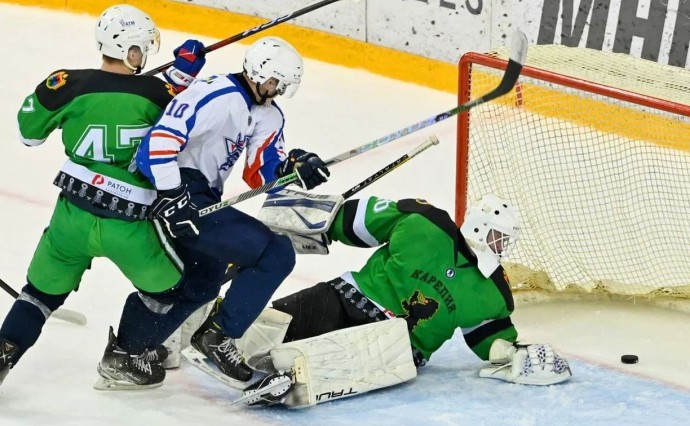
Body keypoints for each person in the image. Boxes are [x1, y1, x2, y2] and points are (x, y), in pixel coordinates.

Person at [106, 36, 331, 388]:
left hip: (202, 195)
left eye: (282, 86)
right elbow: (157, 144)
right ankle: (218, 336)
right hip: (173, 191)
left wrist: (293, 167)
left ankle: (127, 352)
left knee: (203, 282)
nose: (277, 90)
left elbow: (260, 173)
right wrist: (172, 194)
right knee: (276, 252)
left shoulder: (268, 114)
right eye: (274, 82)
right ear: (257, 72)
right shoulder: (216, 95)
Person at [0, 4, 206, 389]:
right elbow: (186, 133)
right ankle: (128, 353)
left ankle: (2, 354)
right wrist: (181, 81)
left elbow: (29, 134)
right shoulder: (158, 94)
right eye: (142, 47)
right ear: (131, 50)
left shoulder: (66, 83)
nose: (145, 54)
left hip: (70, 220)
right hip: (129, 228)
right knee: (172, 291)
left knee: (37, 296)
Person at [228, 192, 572, 407]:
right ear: (480, 227)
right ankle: (208, 330)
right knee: (264, 325)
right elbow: (358, 220)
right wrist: (316, 221)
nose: (501, 247)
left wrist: (510, 353)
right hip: (349, 297)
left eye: (505, 241)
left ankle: (287, 374)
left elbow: (488, 334)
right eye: (499, 237)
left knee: (318, 358)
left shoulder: (492, 289)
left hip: (396, 345)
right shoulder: (425, 222)